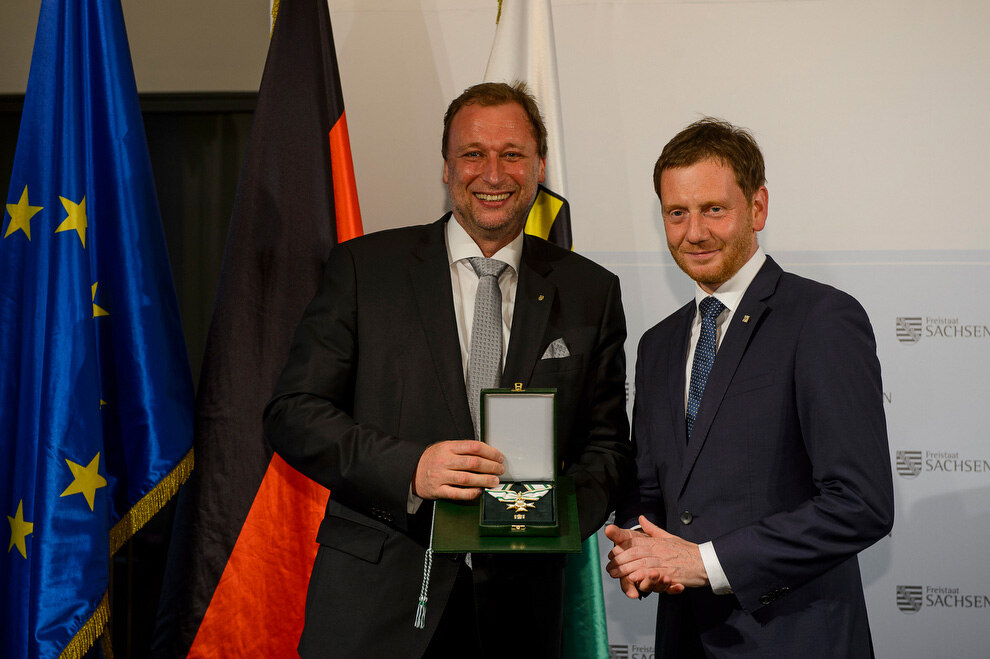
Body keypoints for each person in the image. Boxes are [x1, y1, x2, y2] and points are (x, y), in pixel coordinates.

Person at [263, 82, 630, 658]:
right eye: (472, 154)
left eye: (512, 154)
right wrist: (411, 467)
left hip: (519, 612)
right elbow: (294, 414)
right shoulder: (365, 270)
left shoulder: (591, 292)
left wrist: (551, 520)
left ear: (538, 166)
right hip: (375, 603)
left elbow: (607, 447)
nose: (493, 173)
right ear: (445, 166)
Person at [606, 118, 894, 657]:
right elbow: (648, 489)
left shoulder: (821, 319)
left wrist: (706, 563)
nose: (694, 232)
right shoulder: (658, 345)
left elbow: (859, 503)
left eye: (714, 209)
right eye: (677, 213)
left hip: (795, 639)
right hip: (684, 640)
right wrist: (640, 547)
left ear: (758, 207)